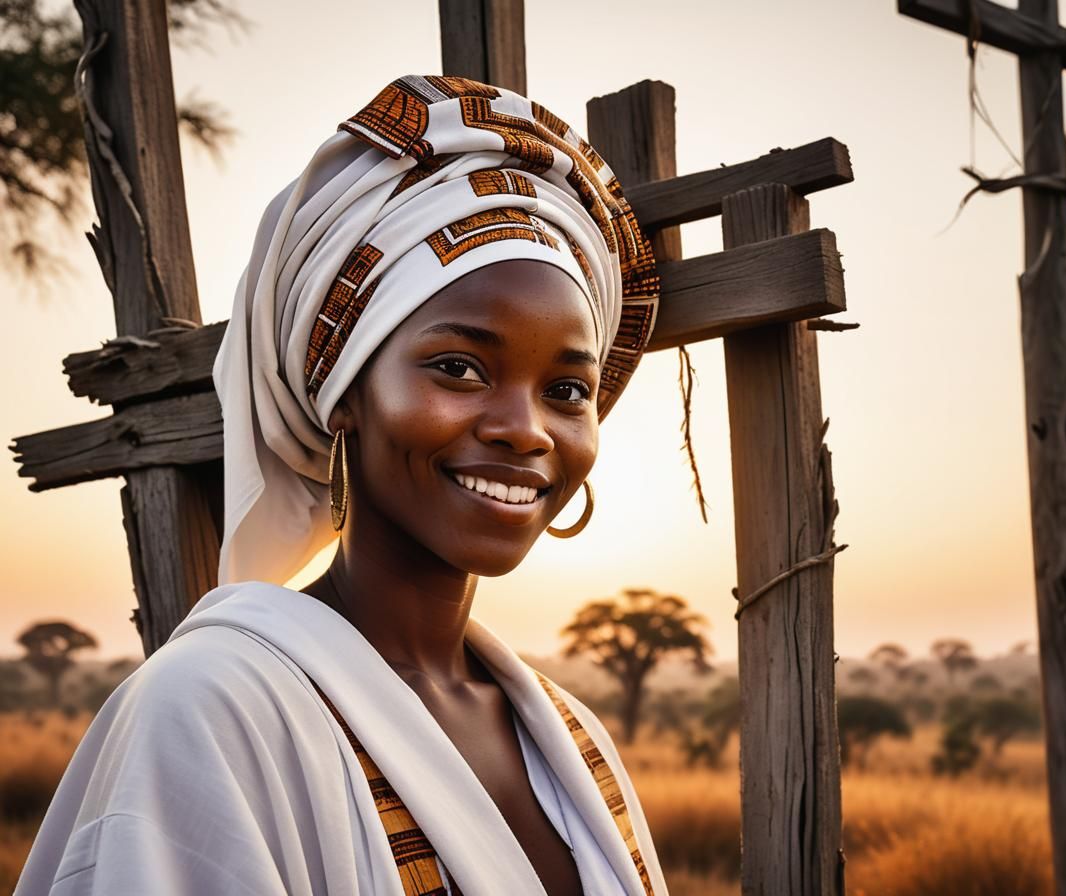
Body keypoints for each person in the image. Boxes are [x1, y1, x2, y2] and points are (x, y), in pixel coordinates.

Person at [15, 75, 666, 895]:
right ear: (344, 393)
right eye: (459, 368)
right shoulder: (211, 710)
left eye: (566, 391)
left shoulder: (575, 742)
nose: (525, 429)